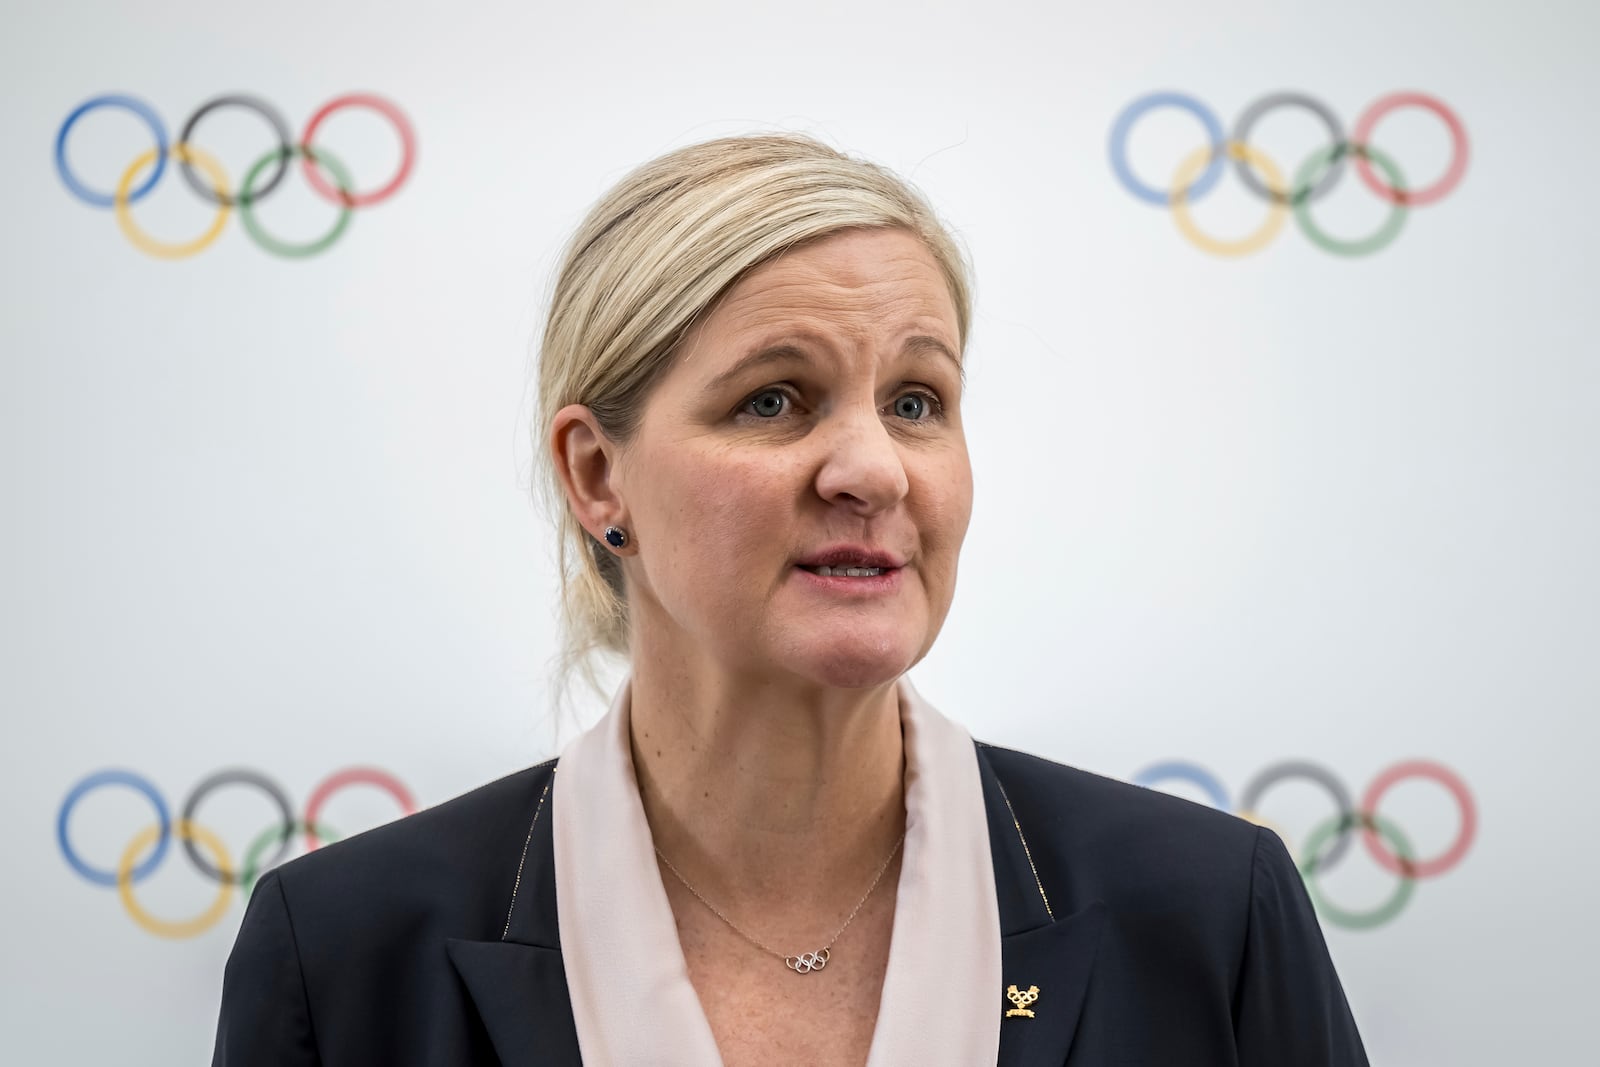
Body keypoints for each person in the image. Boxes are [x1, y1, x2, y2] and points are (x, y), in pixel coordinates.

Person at [211, 133, 1369, 1066]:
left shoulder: (1211, 914)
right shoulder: (347, 949)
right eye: (774, 400)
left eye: (917, 399)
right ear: (596, 472)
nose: (872, 468)